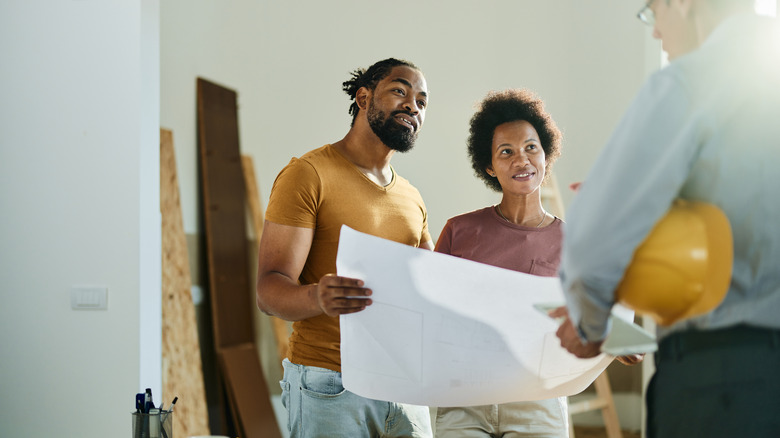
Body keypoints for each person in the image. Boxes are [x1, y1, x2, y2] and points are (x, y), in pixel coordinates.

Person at [555, 1, 780, 437]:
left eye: (652, 10)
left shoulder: (690, 83)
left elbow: (592, 239)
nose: (656, 31)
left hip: (724, 381)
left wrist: (589, 322)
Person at [434, 89, 639, 437]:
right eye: (506, 152)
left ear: (546, 155)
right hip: (465, 398)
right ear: (489, 166)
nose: (522, 160)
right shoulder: (460, 230)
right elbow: (432, 310)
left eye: (531, 147)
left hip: (538, 402)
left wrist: (619, 343)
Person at [255, 58, 434, 438]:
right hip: (330, 383)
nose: (412, 106)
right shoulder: (308, 175)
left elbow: (428, 285)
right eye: (400, 90)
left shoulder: (412, 197)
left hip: (402, 382)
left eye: (422, 101)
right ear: (364, 97)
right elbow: (269, 291)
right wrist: (318, 297)